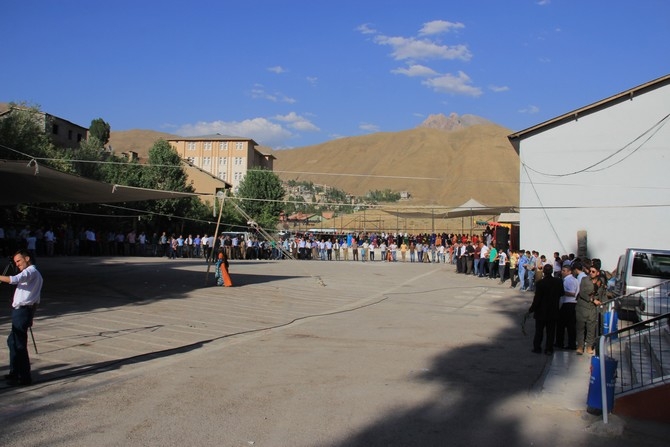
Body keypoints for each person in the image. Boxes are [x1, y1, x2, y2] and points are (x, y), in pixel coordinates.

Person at [0, 250, 43, 386]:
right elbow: (36, 299)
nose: (17, 264)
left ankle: (24, 376)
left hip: (22, 312)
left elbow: (14, 280)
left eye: (19, 261)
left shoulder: (31, 272)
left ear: (27, 258)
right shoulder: (32, 275)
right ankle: (15, 372)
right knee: (12, 341)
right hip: (22, 311)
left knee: (19, 344)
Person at [528, 264, 565, 355]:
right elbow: (561, 293)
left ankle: (537, 347)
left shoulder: (540, 283)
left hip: (541, 310)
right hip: (553, 310)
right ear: (552, 271)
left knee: (539, 331)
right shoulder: (558, 282)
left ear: (544, 272)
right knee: (551, 331)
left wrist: (532, 309)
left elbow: (537, 298)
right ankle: (549, 348)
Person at [576, 261, 606, 355]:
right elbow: (582, 293)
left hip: (592, 308)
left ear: (598, 272)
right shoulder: (585, 280)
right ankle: (580, 346)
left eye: (593, 271)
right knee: (580, 328)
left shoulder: (601, 281)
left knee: (591, 328)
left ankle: (589, 346)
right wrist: (593, 299)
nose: (591, 273)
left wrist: (603, 305)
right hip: (583, 306)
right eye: (590, 271)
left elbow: (603, 294)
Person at [555, 262, 579, 350]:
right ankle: (571, 344)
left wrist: (561, 292)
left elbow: (572, 293)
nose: (562, 272)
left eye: (564, 271)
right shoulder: (575, 280)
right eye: (562, 271)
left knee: (561, 325)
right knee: (570, 326)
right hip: (572, 304)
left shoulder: (569, 280)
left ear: (569, 272)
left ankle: (560, 342)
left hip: (568, 304)